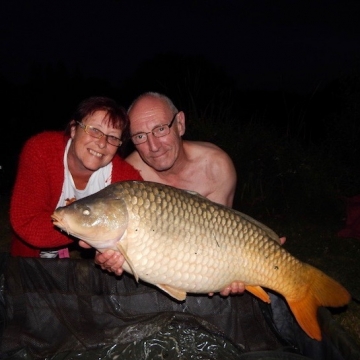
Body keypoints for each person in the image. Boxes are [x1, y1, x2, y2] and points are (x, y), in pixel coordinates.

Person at [93, 91, 284, 296]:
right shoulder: (129, 175)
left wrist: (224, 276)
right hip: (151, 272)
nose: (154, 146)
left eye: (160, 129)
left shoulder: (216, 167)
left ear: (180, 124)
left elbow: (221, 238)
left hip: (197, 262)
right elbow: (108, 235)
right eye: (140, 136)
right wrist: (105, 258)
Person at [10, 96, 143, 258]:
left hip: (92, 265)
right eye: (94, 130)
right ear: (73, 129)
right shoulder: (41, 151)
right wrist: (94, 230)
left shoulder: (126, 179)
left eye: (113, 137)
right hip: (31, 261)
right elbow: (26, 222)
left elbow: (139, 235)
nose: (102, 143)